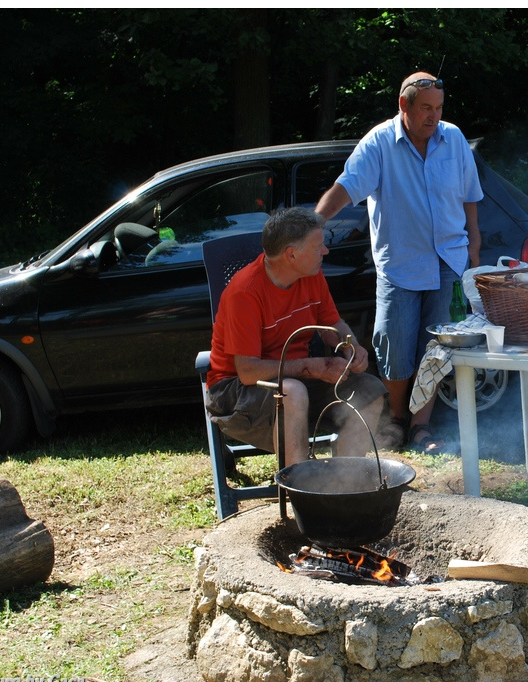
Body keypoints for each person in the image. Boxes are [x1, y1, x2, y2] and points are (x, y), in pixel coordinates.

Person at [315, 71, 483, 453]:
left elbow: (470, 194)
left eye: (438, 108)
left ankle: (420, 428)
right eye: (426, 108)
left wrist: (474, 241)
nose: (433, 116)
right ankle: (396, 419)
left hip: (449, 260)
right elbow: (346, 187)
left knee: (437, 348)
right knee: (394, 344)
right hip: (401, 264)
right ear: (403, 105)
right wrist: (312, 226)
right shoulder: (378, 143)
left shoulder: (453, 138)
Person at [205, 207, 387, 468]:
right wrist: (312, 368)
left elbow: (331, 324)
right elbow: (246, 371)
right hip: (235, 392)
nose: (325, 251)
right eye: (318, 247)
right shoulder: (244, 293)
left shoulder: (310, 274)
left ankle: (346, 480)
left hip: (295, 382)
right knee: (292, 392)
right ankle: (299, 489)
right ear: (291, 254)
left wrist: (351, 346)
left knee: (370, 390)